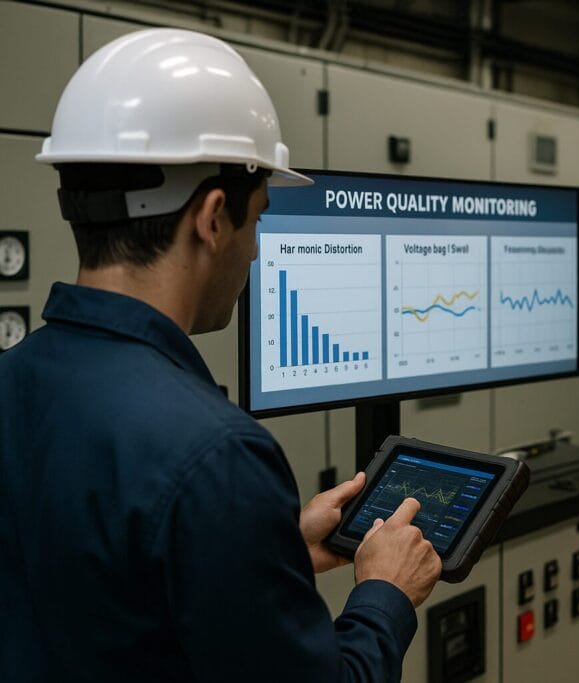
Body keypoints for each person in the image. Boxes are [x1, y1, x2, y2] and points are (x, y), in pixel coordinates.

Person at [0, 28, 441, 682]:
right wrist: (386, 592)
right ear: (211, 218)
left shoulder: (14, 378)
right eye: (258, 218)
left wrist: (269, 546)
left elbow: (98, 590)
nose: (257, 250)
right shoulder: (216, 452)